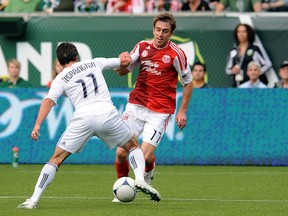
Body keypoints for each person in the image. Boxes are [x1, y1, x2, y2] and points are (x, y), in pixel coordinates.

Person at [18, 42, 161, 209]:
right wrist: (126, 57)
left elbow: (49, 101)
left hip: (83, 118)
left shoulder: (60, 79)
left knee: (56, 159)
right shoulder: (94, 62)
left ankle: (33, 200)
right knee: (133, 145)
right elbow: (123, 62)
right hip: (106, 113)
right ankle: (140, 179)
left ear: (60, 61)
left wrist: (37, 125)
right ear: (77, 56)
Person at [113, 13, 193, 202]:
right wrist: (121, 64)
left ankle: (146, 175)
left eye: (165, 31)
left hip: (160, 111)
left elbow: (188, 83)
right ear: (153, 30)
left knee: (144, 156)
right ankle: (122, 189)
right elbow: (123, 72)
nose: (160, 34)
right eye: (157, 30)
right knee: (121, 153)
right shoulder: (142, 47)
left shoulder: (176, 54)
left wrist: (182, 111)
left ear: (171, 33)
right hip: (136, 106)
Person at [225, 23, 272, 87]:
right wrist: (233, 71)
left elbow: (267, 64)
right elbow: (228, 70)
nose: (241, 34)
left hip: (253, 85)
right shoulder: (233, 50)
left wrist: (256, 73)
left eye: (244, 31)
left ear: (248, 33)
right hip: (237, 84)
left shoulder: (255, 48)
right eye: (239, 32)